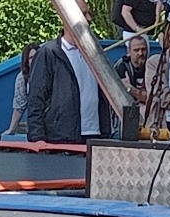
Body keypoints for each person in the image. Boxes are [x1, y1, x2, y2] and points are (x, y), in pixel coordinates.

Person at [25, 7, 113, 143]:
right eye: (84, 14)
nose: (89, 19)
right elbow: (36, 98)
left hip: (95, 134)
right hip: (61, 136)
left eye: (90, 13)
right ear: (67, 17)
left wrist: (106, 132)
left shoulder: (96, 54)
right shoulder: (48, 53)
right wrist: (37, 138)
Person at [0, 43, 38, 139]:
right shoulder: (22, 78)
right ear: (26, 61)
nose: (34, 60)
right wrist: (11, 129)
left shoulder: (51, 73)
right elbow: (19, 106)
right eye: (31, 58)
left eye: (36, 57)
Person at [116, 34, 151, 100]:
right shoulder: (121, 68)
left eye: (143, 49)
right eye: (136, 50)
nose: (140, 53)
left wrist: (131, 89)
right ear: (129, 51)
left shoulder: (152, 66)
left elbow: (154, 98)